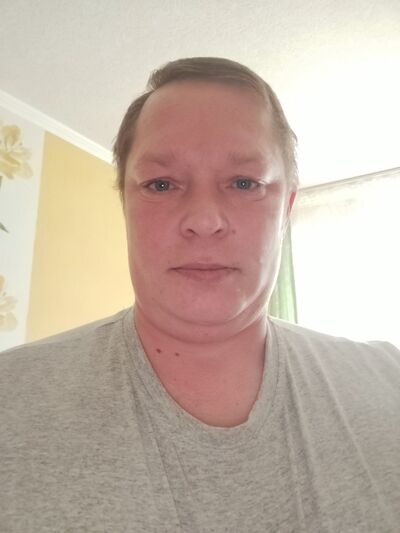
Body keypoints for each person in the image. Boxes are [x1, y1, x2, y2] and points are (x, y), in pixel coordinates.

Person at [0, 57, 399, 533]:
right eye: (161, 184)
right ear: (126, 204)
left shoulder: (389, 381)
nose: (204, 220)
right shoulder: (10, 401)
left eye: (244, 183)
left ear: (287, 208)